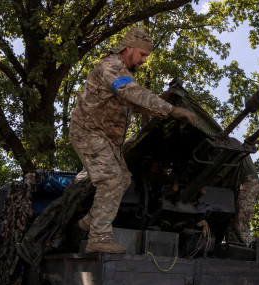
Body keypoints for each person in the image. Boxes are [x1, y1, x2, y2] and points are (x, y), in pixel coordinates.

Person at [70, 26, 199, 254]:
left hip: (104, 138)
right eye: (142, 55)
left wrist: (161, 101)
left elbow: (134, 103)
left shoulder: (122, 74)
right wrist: (172, 110)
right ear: (128, 48)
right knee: (110, 180)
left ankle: (89, 221)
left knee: (124, 179)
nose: (144, 61)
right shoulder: (111, 67)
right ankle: (98, 237)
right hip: (88, 132)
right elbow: (132, 93)